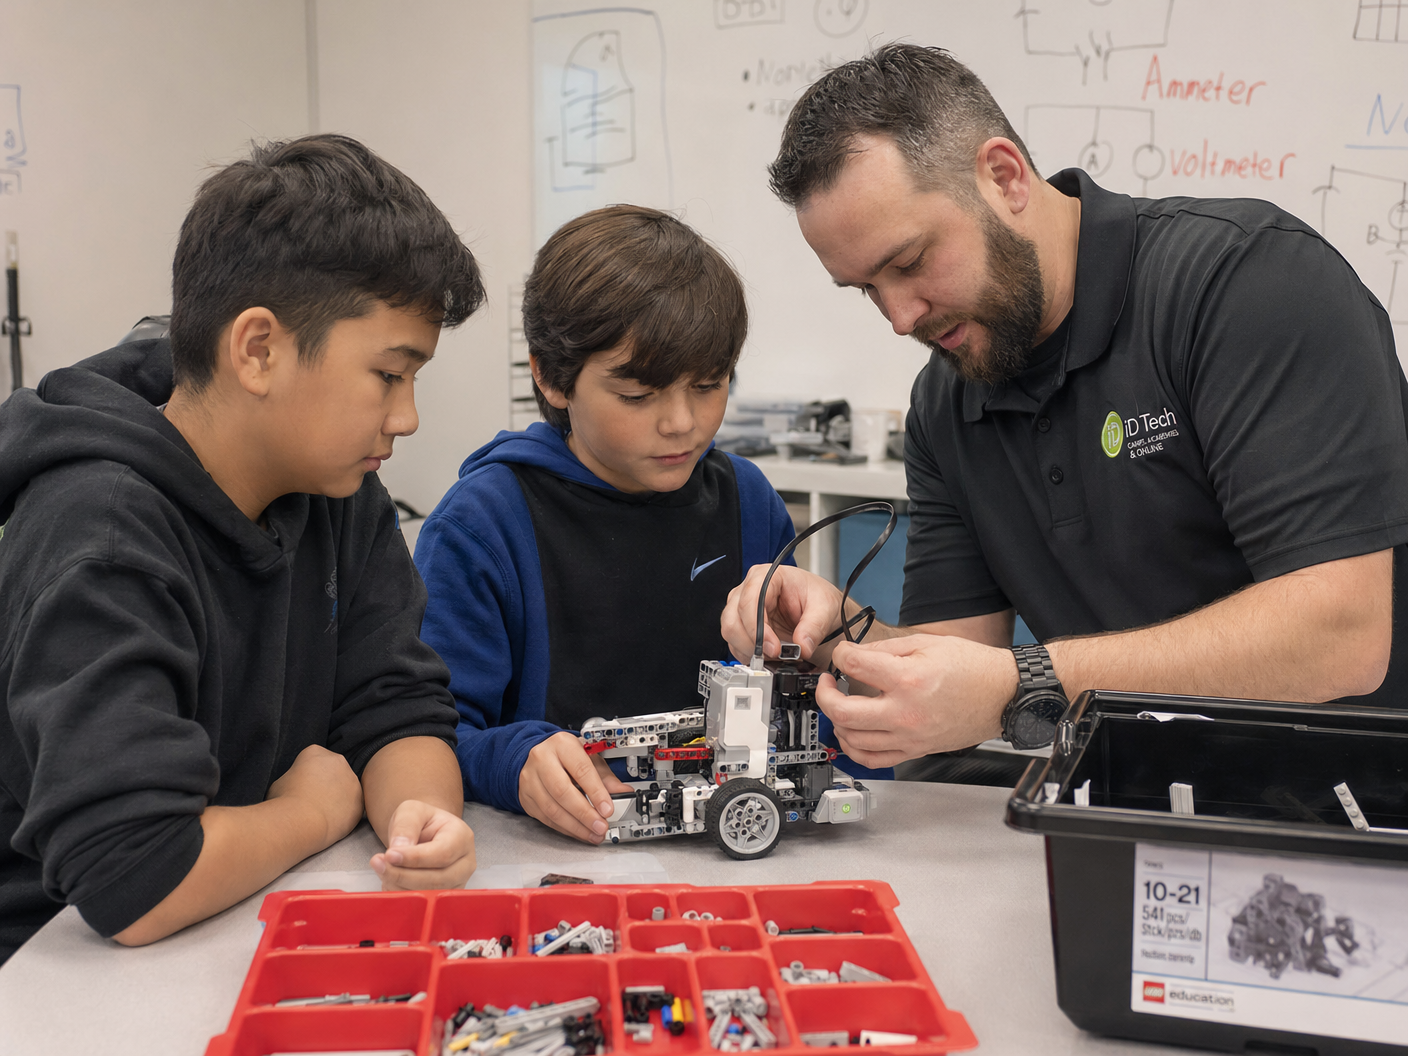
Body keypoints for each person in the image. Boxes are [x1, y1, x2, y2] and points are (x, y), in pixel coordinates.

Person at [722, 44, 1408, 770]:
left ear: (1004, 177)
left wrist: (1030, 680)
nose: (899, 317)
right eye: (866, 289)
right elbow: (960, 663)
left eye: (910, 262)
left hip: (1351, 812)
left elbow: (1340, 638)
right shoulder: (946, 402)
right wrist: (838, 633)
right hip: (1124, 808)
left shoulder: (1247, 285)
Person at [0, 134, 482, 964]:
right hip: (61, 970)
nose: (406, 419)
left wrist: (421, 816)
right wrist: (315, 813)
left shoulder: (338, 488)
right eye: (388, 375)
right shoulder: (101, 533)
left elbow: (394, 706)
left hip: (240, 909)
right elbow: (132, 877)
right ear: (258, 349)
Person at [415, 205, 885, 844]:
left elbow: (794, 688)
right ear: (552, 378)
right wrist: (514, 760)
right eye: (637, 396)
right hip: (559, 855)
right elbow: (430, 735)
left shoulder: (745, 499)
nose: (681, 423)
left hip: (735, 844)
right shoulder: (483, 525)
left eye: (709, 384)